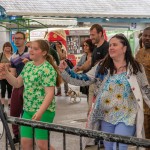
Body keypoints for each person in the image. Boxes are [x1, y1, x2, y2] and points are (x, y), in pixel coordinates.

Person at [59, 33, 150, 150]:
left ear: (124, 48)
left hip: (127, 116)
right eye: (110, 45)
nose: (111, 47)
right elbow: (84, 79)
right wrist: (66, 71)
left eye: (115, 45)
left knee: (119, 146)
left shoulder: (136, 68)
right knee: (108, 147)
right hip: (105, 115)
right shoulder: (102, 66)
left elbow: (146, 90)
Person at [0, 39, 62, 150]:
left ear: (44, 52)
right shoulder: (28, 66)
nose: (31, 50)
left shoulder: (47, 69)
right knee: (25, 144)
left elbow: (49, 94)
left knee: (43, 145)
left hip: (44, 112)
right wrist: (6, 74)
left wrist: (40, 112)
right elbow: (17, 83)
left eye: (35, 48)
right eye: (31, 48)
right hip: (28, 111)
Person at [10, 31, 30, 144]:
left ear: (24, 39)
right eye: (15, 38)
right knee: (14, 111)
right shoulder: (13, 57)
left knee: (28, 111)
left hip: (30, 86)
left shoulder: (31, 53)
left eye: (19, 38)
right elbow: (13, 74)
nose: (17, 40)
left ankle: (30, 134)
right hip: (18, 85)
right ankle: (16, 135)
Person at [136, 27, 150, 146]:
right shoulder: (139, 53)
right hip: (143, 102)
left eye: (149, 36)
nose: (147, 38)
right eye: (145, 35)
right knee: (145, 134)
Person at [0, 42, 13, 109]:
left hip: (11, 75)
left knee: (10, 89)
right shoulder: (1, 55)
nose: (7, 48)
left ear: (11, 48)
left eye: (9, 46)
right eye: (6, 46)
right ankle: (2, 104)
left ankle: (9, 103)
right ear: (4, 47)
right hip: (2, 75)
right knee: (3, 89)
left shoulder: (13, 55)